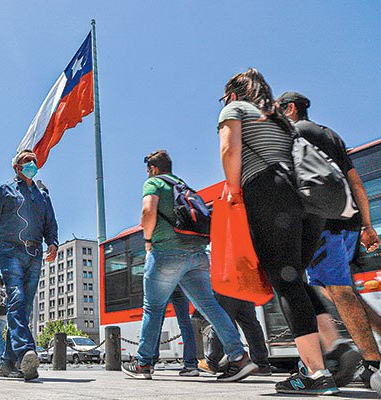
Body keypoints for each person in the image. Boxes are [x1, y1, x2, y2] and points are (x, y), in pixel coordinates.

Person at [218, 68, 341, 395]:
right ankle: (333, 349)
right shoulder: (281, 119)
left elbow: (230, 150)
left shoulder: (235, 108)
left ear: (232, 93)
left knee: (285, 281)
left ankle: (317, 374)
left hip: (270, 191)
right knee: (296, 279)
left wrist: (233, 190)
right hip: (309, 200)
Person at [121, 150, 257, 381]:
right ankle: (239, 357)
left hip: (166, 252)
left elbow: (148, 211)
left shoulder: (153, 183)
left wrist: (147, 241)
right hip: (197, 254)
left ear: (153, 169)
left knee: (153, 308)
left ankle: (143, 364)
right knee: (210, 307)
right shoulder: (183, 185)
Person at [278, 91, 381, 390]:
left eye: (281, 110)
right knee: (344, 292)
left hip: (324, 222)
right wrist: (367, 224)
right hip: (348, 221)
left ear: (291, 108)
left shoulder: (295, 133)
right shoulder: (330, 135)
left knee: (339, 291)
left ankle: (372, 364)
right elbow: (356, 181)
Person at [0, 149, 59, 381]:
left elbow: (50, 223)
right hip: (10, 250)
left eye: (34, 160)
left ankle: (7, 364)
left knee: (23, 308)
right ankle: (27, 352)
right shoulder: (4, 191)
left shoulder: (43, 195)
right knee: (16, 298)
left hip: (34, 253)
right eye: (27, 161)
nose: (32, 163)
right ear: (16, 167)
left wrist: (52, 242)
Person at [200, 294, 271, 376]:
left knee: (221, 323)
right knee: (251, 324)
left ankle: (212, 362)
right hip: (243, 287)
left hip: (225, 287)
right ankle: (261, 365)